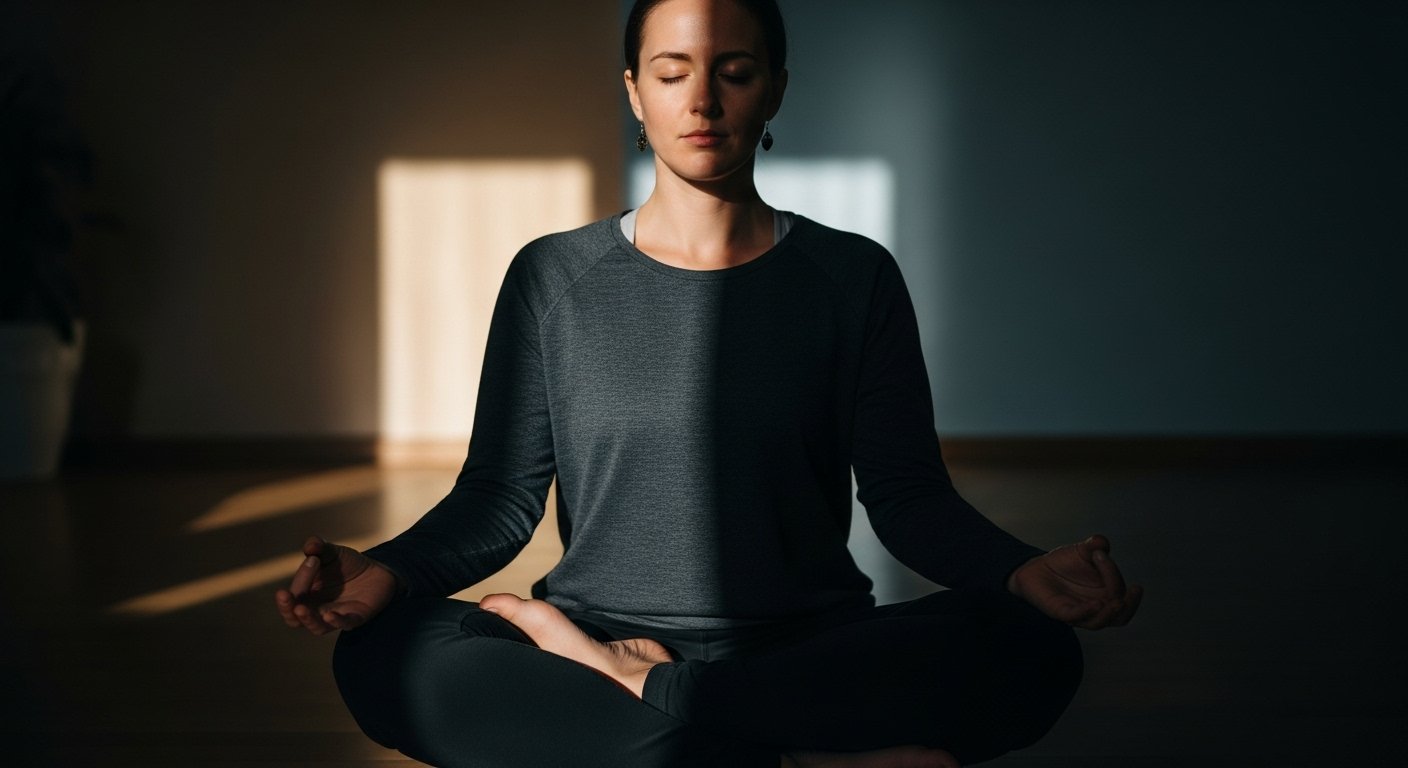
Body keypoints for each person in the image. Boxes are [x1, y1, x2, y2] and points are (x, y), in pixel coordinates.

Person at [275, 1, 1142, 765]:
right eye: (671, 72)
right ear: (634, 93)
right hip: (596, 635)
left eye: (733, 71)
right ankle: (800, 754)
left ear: (774, 89)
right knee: (382, 654)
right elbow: (500, 497)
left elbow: (907, 494)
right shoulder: (552, 277)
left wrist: (1020, 570)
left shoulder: (852, 277)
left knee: (1032, 647)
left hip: (805, 646)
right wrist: (386, 569)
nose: (701, 100)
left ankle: (668, 711)